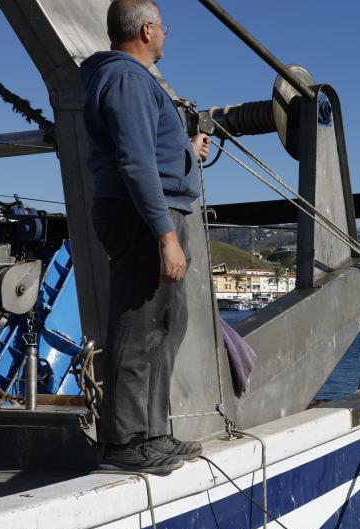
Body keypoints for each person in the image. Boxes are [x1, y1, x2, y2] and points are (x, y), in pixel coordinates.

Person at [80, 0, 212, 473]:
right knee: (137, 329)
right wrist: (165, 235)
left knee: (166, 328)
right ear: (147, 30)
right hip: (142, 218)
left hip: (152, 213)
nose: (166, 35)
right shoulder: (127, 79)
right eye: (163, 28)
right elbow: (135, 163)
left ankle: (152, 433)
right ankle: (122, 442)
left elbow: (149, 151)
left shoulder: (126, 81)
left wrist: (187, 151)